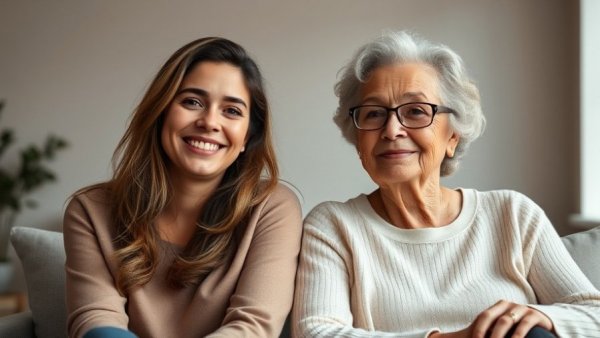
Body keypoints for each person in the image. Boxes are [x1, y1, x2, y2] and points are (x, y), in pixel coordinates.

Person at [292, 30, 600, 338]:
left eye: (415, 111)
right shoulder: (333, 226)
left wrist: (535, 316)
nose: (391, 129)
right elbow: (317, 332)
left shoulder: (513, 214)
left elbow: (593, 313)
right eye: (374, 114)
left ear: (452, 136)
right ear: (358, 139)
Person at [64, 37, 302, 338]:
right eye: (192, 102)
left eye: (231, 111)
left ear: (247, 138)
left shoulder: (272, 207)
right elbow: (96, 319)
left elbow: (253, 327)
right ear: (160, 112)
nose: (209, 122)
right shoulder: (90, 210)